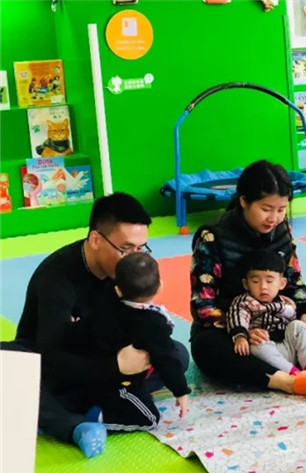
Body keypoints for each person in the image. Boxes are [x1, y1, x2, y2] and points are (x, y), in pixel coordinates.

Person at [1, 193, 187, 459]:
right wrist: (116, 367)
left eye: (141, 248)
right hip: (53, 363)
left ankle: (69, 406)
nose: (134, 258)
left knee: (176, 354)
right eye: (126, 248)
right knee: (8, 366)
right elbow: (51, 356)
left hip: (103, 362)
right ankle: (74, 426)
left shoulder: (126, 273)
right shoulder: (57, 278)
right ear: (96, 239)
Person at [191, 160, 306, 396]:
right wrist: (241, 331)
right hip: (238, 335)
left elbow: (293, 281)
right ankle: (287, 381)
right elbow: (203, 304)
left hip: (283, 327)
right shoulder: (212, 237)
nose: (274, 218)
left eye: (281, 210)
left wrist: (305, 314)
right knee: (205, 346)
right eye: (266, 209)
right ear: (244, 201)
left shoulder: (281, 230)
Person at [65, 252, 191, 427]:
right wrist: (181, 391)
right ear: (160, 287)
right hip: (118, 383)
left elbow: (81, 330)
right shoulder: (153, 323)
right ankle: (96, 415)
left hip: (90, 370)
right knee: (150, 418)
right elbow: (166, 359)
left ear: (118, 289)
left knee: (179, 354)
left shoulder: (107, 305)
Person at [227, 250, 306, 395]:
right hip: (266, 349)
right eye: (255, 281)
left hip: (287, 346)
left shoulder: (287, 303)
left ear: (282, 283)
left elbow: (295, 329)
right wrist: (241, 336)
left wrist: (304, 323)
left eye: (269, 281)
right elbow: (237, 318)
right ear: (246, 284)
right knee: (257, 346)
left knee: (298, 326)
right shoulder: (245, 302)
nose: (263, 287)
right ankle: (296, 375)